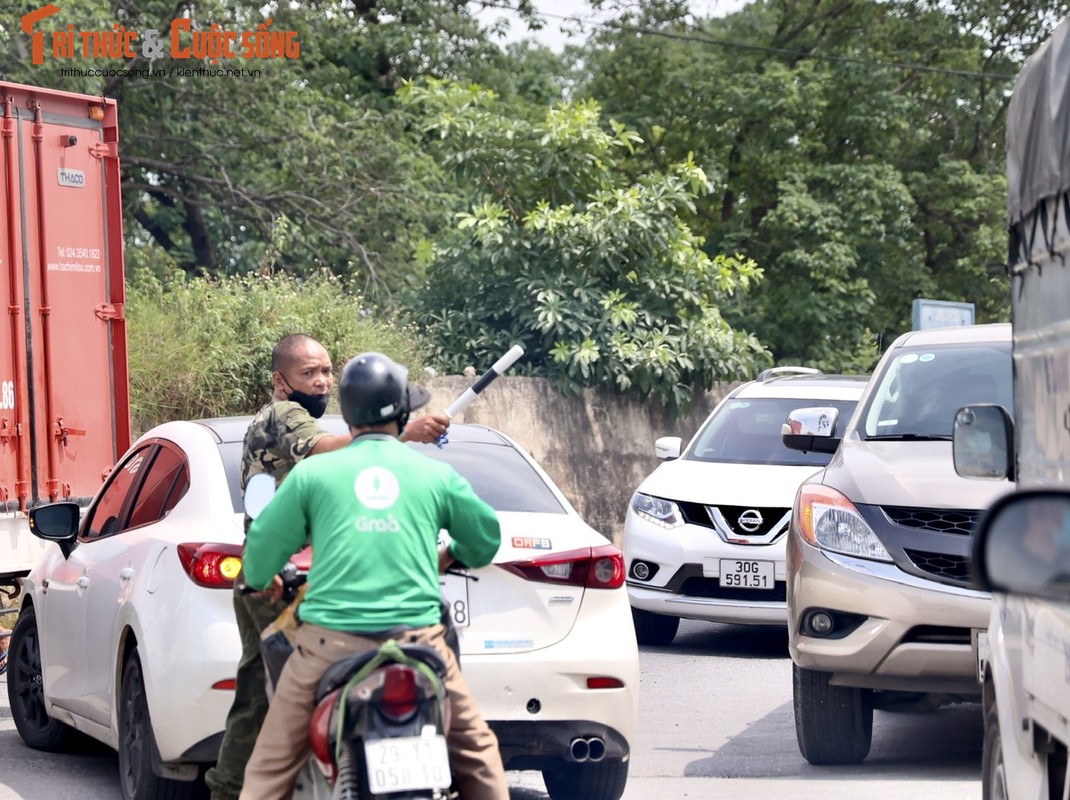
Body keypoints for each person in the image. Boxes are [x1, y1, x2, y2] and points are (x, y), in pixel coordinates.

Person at [237, 352, 508, 800]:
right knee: (478, 755)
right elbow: (485, 541)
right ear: (402, 413)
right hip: (421, 644)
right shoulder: (435, 475)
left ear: (348, 412)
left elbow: (262, 551)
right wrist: (448, 554)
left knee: (268, 771)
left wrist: (262, 576)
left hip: (327, 646)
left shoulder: (313, 475)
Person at [205, 335, 449, 800]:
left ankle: (240, 788)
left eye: (325, 372)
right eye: (307, 374)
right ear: (281, 382)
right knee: (309, 682)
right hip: (279, 576)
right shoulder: (281, 415)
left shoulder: (331, 430)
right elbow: (321, 448)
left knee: (261, 690)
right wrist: (400, 432)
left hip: (301, 573)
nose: (320, 382)